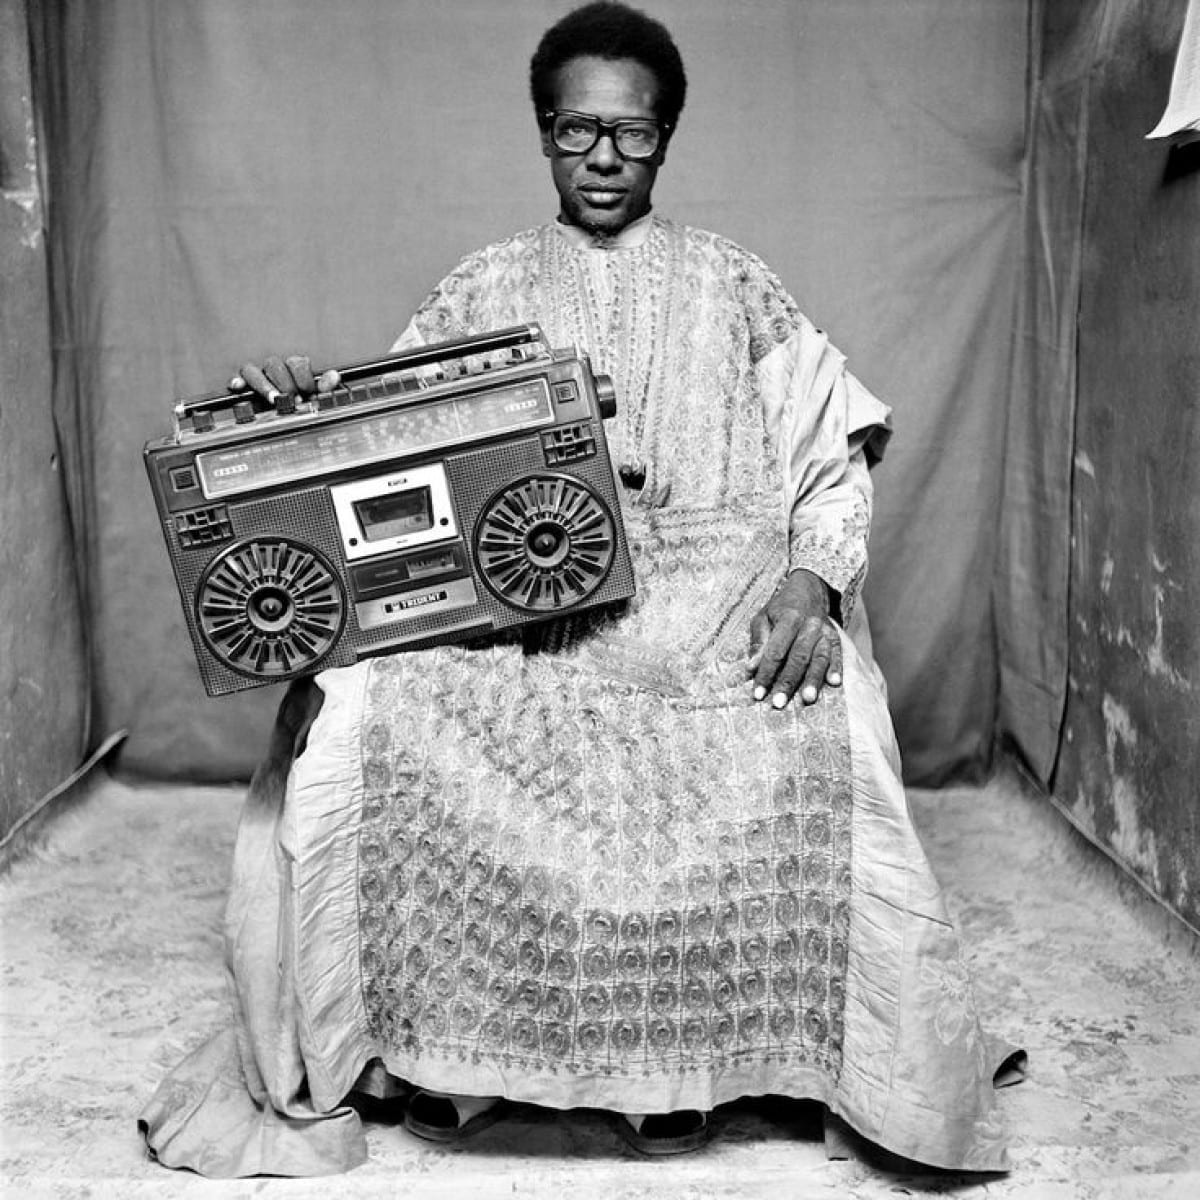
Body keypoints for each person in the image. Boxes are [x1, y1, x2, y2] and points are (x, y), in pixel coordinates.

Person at [140, 1, 1019, 1177]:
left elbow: (831, 459)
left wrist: (812, 579)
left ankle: (772, 1065)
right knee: (361, 714)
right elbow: (373, 451)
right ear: (544, 135)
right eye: (576, 131)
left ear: (667, 140)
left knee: (819, 722)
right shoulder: (483, 286)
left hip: (718, 596)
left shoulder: (735, 281)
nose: (604, 157)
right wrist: (300, 405)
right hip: (528, 620)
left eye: (632, 134)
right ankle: (414, 1058)